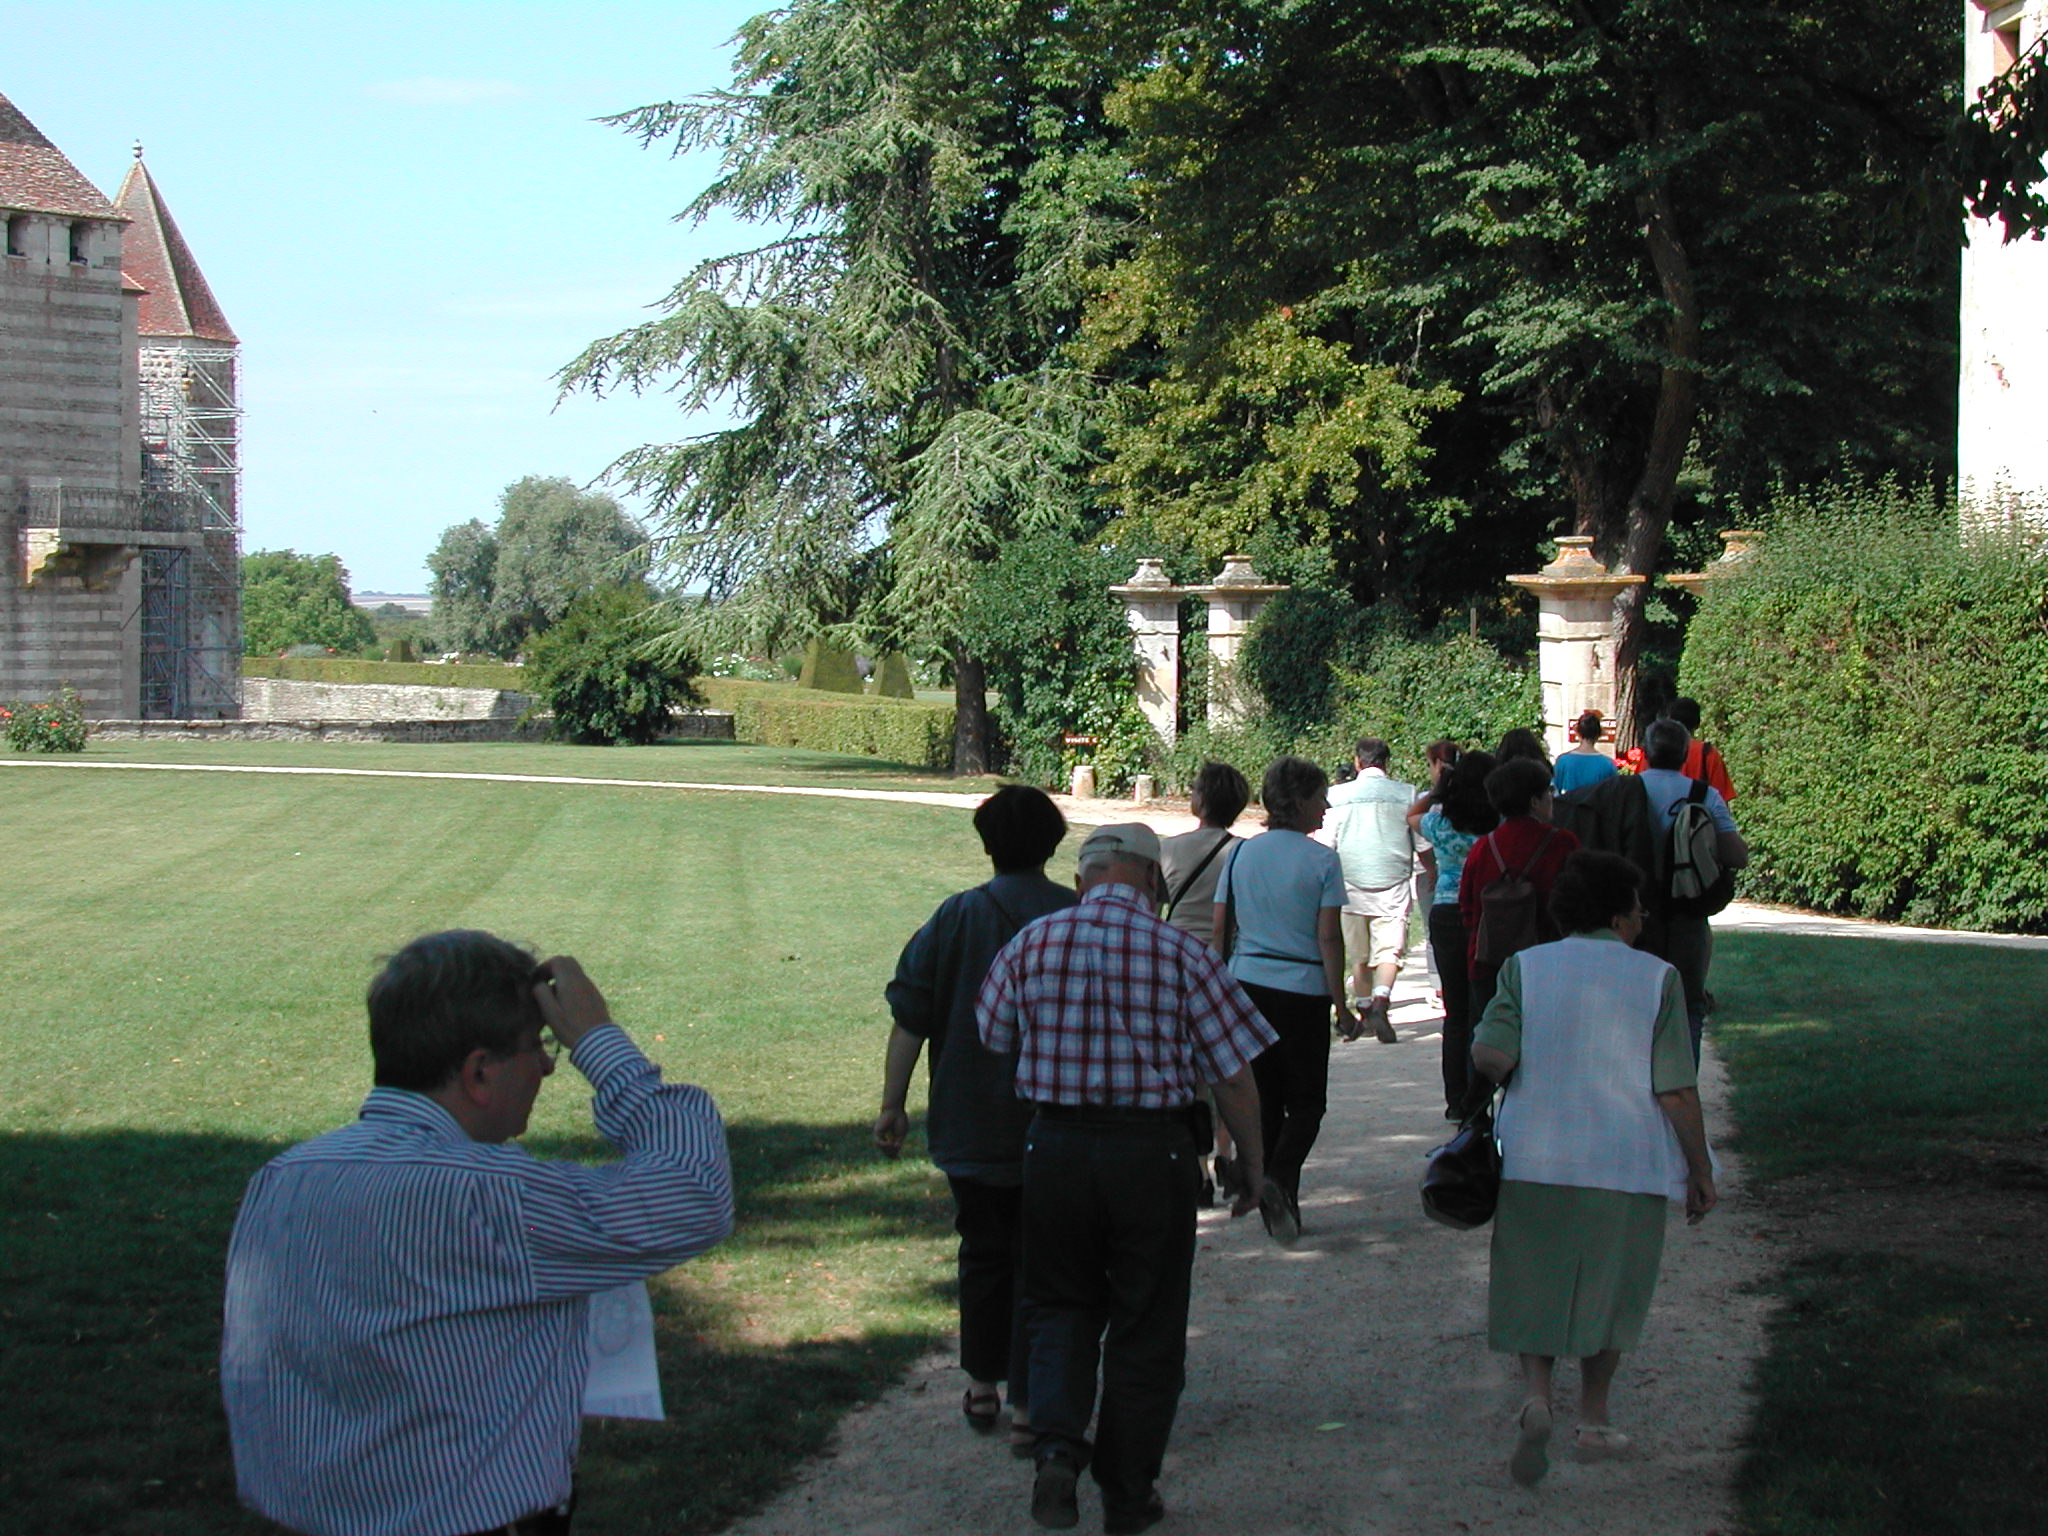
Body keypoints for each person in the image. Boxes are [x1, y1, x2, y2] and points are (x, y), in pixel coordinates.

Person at [222, 932, 734, 1536]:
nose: (548, 1065)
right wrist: (599, 1042)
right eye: (538, 1046)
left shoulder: (283, 1178)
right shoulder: (485, 1196)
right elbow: (694, 1191)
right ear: (479, 1072)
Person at [978, 824, 1274, 1535]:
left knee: (1059, 1305)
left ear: (1082, 881)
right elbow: (1233, 1074)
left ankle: (1056, 1447)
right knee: (1148, 1324)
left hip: (1055, 1146)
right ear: (1151, 880)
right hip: (1151, 1153)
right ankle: (1127, 1490)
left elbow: (993, 1034)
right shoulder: (1183, 952)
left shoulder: (1030, 944)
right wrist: (1251, 1165)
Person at [1469, 851, 1718, 1486]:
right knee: (1613, 1289)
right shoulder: (1658, 978)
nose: (1643, 917)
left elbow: (1491, 1053)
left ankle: (1536, 1398)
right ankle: (1595, 1418)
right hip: (1625, 1160)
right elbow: (1675, 1089)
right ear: (1617, 914)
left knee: (1533, 1282)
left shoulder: (1526, 967)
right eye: (1638, 907)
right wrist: (1700, 1168)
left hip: (1536, 1154)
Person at [876, 786, 1077, 1450]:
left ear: (986, 844)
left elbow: (911, 1017)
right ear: (1053, 844)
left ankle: (982, 1382)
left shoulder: (957, 916)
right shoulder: (1075, 915)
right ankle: (1029, 1404)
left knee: (982, 1253)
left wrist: (893, 1103)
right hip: (1057, 1122)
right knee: (1043, 1262)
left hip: (971, 1116)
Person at [1214, 756, 1359, 1243]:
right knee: (1308, 1103)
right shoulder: (1322, 860)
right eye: (1320, 797)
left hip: (1248, 983)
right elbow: (1328, 938)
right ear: (1298, 802)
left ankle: (1280, 1203)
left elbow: (1222, 925)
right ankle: (1278, 1179)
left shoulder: (1240, 854)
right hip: (1302, 988)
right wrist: (1341, 1004)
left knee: (1268, 1100)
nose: (1326, 806)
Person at [1159, 760, 1254, 1200]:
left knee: (1190, 1074)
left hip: (1176, 965)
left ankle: (1196, 1167)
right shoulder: (1243, 853)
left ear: (1200, 800)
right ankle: (1226, 1152)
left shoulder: (1170, 849)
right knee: (1228, 1069)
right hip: (1227, 966)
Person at [1636, 717, 1749, 1061]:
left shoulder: (1626, 790)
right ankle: (1684, 1081)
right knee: (1688, 1004)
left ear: (1646, 753)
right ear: (1686, 753)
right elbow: (1736, 855)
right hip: (1687, 910)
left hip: (1635, 914)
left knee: (1638, 1005)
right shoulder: (1704, 795)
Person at [1457, 757, 1580, 1032]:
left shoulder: (1483, 847)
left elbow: (1466, 908)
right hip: (1549, 961)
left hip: (1489, 962)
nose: (1552, 797)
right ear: (1534, 801)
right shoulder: (1563, 843)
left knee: (1495, 1039)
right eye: (1548, 791)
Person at [1411, 750, 1499, 1119]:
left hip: (1447, 911)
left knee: (1455, 1012)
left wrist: (1439, 787)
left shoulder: (1441, 823)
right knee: (1482, 1007)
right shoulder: (1496, 823)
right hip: (1485, 913)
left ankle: (1455, 1099)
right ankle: (1479, 1094)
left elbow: (1411, 815)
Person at [1322, 737, 1416, 1041]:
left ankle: (1364, 1011)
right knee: (1390, 951)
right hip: (1393, 881)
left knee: (1358, 955)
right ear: (1386, 763)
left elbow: (1327, 843)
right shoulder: (1407, 794)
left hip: (1350, 883)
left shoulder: (1337, 796)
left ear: (1357, 762)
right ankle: (1380, 1002)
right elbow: (1420, 841)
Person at [1551, 710, 1618, 795]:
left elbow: (1554, 791)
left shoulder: (1563, 761)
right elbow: (1613, 795)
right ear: (1598, 735)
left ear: (1578, 733)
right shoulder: (1608, 764)